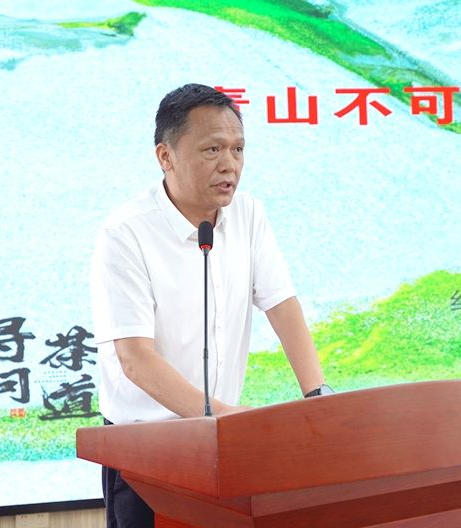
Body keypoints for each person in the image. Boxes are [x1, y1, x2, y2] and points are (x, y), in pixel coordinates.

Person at [89, 83, 330, 528]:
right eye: (212, 149)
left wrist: (319, 396)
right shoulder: (125, 233)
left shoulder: (248, 214)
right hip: (145, 453)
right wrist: (224, 417)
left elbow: (281, 304)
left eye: (238, 149)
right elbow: (134, 358)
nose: (229, 164)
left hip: (221, 450)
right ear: (165, 156)